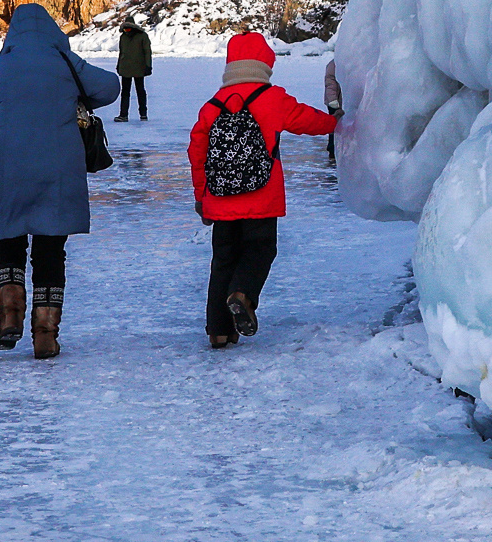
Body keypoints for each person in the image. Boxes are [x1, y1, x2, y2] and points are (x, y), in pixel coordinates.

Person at [0, 3, 119, 359]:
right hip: (58, 170)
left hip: (8, 169)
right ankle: (45, 335)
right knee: (50, 250)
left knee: (8, 242)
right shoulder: (66, 64)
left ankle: (9, 316)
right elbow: (111, 88)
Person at [188, 33, 336, 350]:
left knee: (223, 261)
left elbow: (197, 154)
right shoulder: (272, 99)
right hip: (261, 198)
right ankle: (242, 294)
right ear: (265, 65)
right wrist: (337, 122)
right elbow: (308, 121)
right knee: (260, 250)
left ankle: (218, 331)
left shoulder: (211, 107)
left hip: (220, 198)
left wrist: (201, 198)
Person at [115, 19, 153, 121]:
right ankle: (130, 115)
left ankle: (130, 115)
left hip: (136, 68)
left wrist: (148, 66)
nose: (127, 30)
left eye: (128, 28)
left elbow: (147, 52)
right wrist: (119, 65)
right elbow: (122, 53)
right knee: (133, 92)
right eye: (125, 29)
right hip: (131, 68)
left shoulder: (140, 36)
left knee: (134, 92)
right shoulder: (126, 37)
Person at [323, 57, 342, 166]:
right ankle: (332, 151)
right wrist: (333, 100)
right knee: (334, 126)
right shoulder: (334, 64)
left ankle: (333, 150)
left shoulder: (336, 63)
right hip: (335, 102)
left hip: (338, 101)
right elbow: (330, 84)